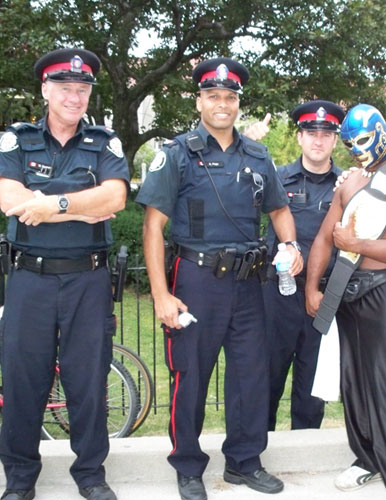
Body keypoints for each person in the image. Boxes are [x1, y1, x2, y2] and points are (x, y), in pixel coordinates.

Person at [136, 57, 302, 500]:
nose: (222, 104)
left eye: (230, 97)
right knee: (190, 376)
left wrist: (291, 246)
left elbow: (280, 210)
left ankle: (244, 463)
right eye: (213, 96)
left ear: (238, 103)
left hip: (250, 284)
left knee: (251, 376)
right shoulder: (177, 154)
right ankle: (188, 465)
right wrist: (160, 295)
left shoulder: (257, 154)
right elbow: (153, 227)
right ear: (200, 101)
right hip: (196, 282)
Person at [0, 48, 129, 500]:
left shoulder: (104, 143)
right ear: (45, 90)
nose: (74, 97)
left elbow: (114, 199)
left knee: (88, 380)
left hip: (87, 280)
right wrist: (80, 203)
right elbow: (10, 199)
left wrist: (50, 203)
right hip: (29, 281)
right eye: (65, 88)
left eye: (82, 89)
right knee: (22, 379)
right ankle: (19, 480)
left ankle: (91, 476)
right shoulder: (15, 141)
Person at [306, 103, 386, 500]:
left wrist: (356, 243)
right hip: (348, 291)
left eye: (363, 140)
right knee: (355, 385)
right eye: (349, 143)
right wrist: (312, 288)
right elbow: (326, 237)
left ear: (382, 132)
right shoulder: (351, 181)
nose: (357, 149)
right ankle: (368, 460)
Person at [263, 100, 345, 431]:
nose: (318, 140)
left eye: (326, 134)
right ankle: (257, 453)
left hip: (324, 295)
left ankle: (305, 449)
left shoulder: (348, 185)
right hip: (278, 295)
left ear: (335, 141)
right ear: (299, 137)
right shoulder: (277, 179)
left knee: (312, 387)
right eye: (311, 132)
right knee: (267, 377)